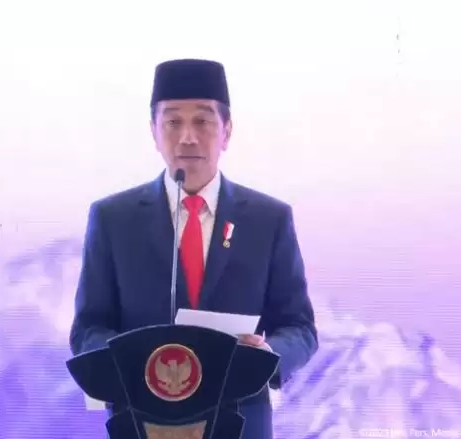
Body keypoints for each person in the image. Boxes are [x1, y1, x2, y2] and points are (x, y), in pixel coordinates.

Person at [69, 58, 318, 439]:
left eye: (202, 121)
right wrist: (129, 359)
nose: (187, 137)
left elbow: (300, 327)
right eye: (172, 122)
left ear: (227, 132)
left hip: (241, 423)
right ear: (154, 132)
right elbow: (88, 328)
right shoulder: (112, 219)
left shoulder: (268, 219)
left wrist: (268, 356)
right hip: (142, 424)